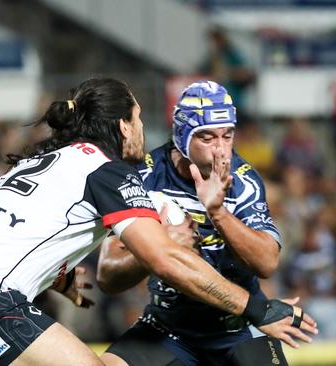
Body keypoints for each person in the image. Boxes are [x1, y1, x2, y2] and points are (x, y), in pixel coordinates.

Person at [0, 78, 316, 366]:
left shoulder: (41, 161)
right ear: (122, 126)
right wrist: (258, 308)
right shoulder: (106, 170)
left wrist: (59, 275)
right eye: (137, 119)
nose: (141, 128)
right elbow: (167, 261)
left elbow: (15, 231)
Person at [98, 80, 316, 366]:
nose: (221, 151)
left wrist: (218, 212)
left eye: (227, 136)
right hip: (167, 326)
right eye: (208, 138)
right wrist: (157, 249)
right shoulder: (142, 178)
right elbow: (107, 275)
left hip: (237, 327)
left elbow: (267, 263)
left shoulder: (243, 181)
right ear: (182, 135)